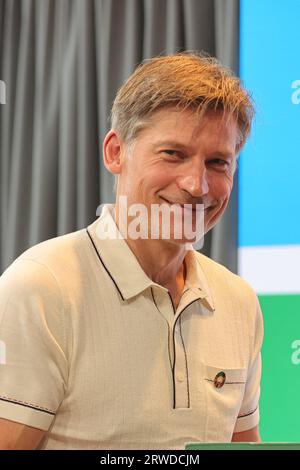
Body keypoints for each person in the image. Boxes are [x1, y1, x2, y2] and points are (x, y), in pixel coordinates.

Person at [0, 52, 263, 449]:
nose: (197, 184)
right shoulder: (40, 286)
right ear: (115, 152)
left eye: (217, 162)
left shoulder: (238, 300)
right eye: (173, 153)